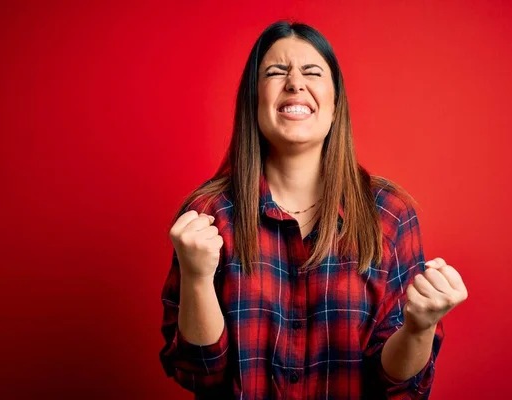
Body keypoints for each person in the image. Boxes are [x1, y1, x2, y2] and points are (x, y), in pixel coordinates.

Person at [159, 20, 468, 399]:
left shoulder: (390, 214)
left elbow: (398, 389)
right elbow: (198, 374)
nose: (294, 83)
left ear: (335, 103)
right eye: (275, 72)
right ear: (253, 101)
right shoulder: (208, 215)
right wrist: (196, 277)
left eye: (312, 72)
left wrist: (419, 327)